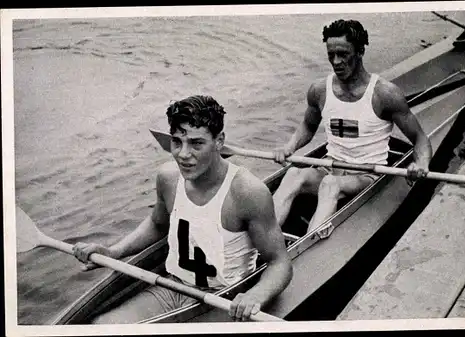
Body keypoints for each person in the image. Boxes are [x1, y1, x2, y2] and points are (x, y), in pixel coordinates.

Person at [73, 95, 293, 323]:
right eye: (177, 142)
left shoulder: (247, 191)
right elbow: (158, 224)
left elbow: (280, 263)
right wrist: (114, 252)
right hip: (173, 287)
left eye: (196, 143)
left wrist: (255, 295)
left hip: (226, 297)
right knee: (101, 326)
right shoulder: (168, 178)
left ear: (219, 141)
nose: (183, 154)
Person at [272, 19, 432, 238]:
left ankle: (304, 251)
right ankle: (261, 242)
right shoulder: (319, 90)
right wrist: (288, 147)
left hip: (367, 175)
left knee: (330, 184)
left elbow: (420, 139)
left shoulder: (385, 94)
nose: (336, 61)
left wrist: (421, 164)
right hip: (330, 169)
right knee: (292, 174)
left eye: (343, 54)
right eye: (331, 55)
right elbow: (308, 127)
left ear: (360, 51)